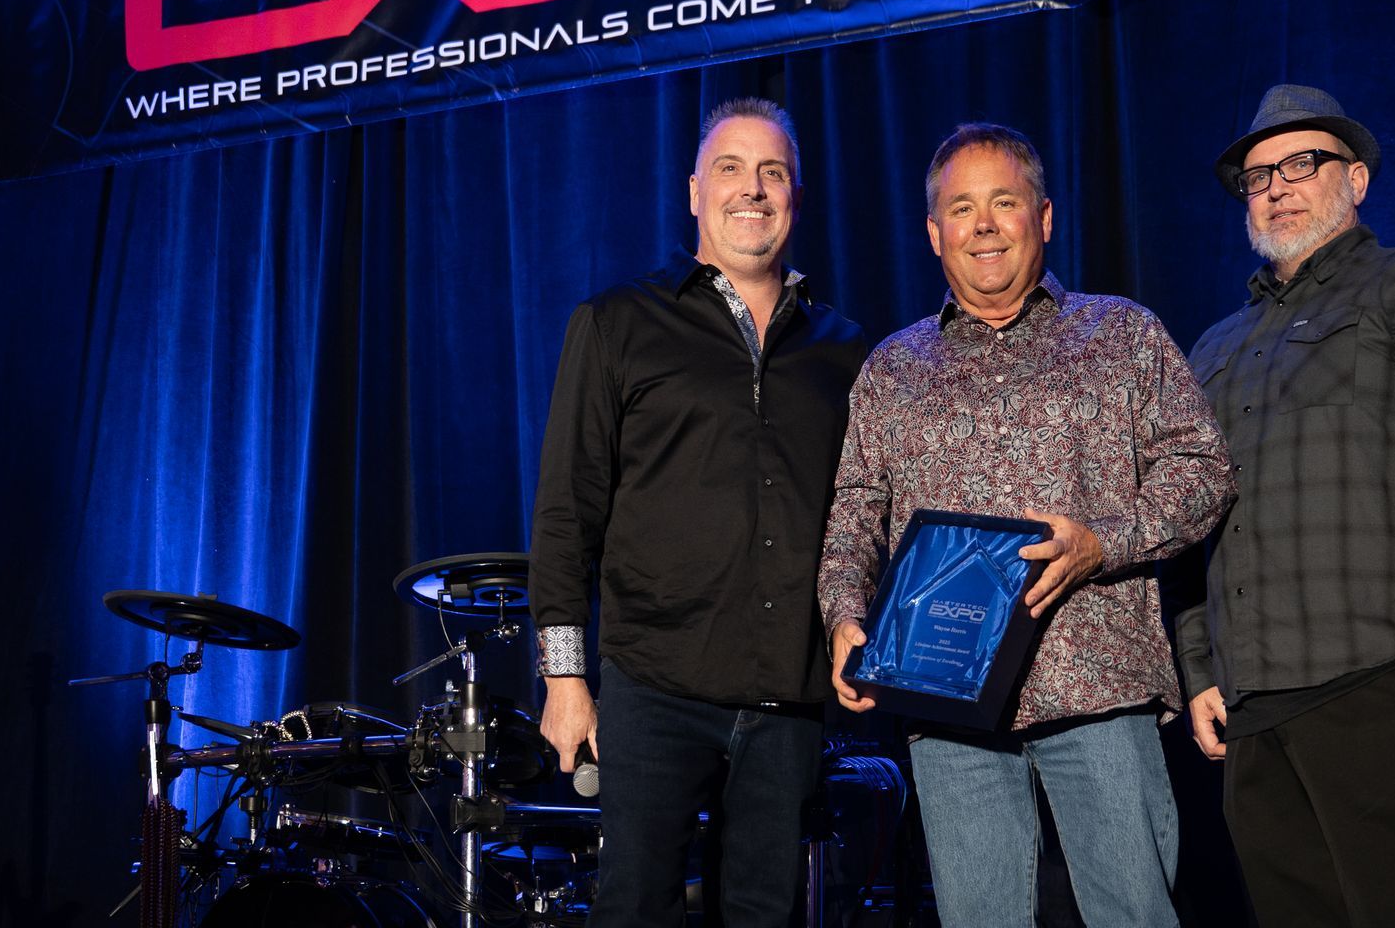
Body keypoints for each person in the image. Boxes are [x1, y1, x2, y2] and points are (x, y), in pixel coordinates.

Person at [819, 122, 1234, 928]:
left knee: (1134, 916)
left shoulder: (1122, 335)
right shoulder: (893, 369)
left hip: (1097, 687)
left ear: (1043, 217)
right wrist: (844, 615)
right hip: (948, 701)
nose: (983, 225)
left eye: (1003, 203)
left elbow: (1204, 470)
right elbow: (854, 513)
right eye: (961, 209)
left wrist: (1103, 542)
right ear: (934, 232)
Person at [1175, 84, 1395, 926]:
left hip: (1372, 685)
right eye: (1258, 177)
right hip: (1251, 706)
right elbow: (1185, 520)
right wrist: (1201, 669)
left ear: (1356, 179)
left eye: (1302, 164)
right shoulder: (1215, 346)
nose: (1277, 188)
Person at [528, 97, 867, 926]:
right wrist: (565, 680)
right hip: (654, 688)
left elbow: (864, 515)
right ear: (693, 191)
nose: (752, 189)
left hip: (788, 698)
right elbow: (567, 511)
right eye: (730, 169)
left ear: (795, 197)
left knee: (764, 915)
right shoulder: (617, 322)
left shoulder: (845, 349)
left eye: (772, 173)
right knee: (634, 910)